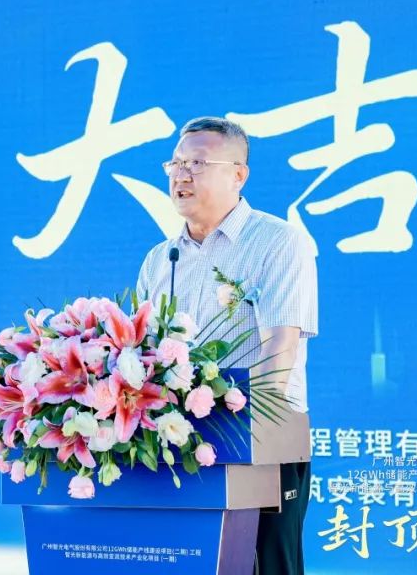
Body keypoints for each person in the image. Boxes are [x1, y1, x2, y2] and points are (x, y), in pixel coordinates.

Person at [135, 116, 318, 575]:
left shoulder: (277, 241)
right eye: (176, 163)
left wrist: (245, 430)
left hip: (261, 444)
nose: (181, 174)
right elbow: (141, 356)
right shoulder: (160, 259)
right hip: (178, 444)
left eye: (197, 163)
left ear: (239, 174)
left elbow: (280, 349)